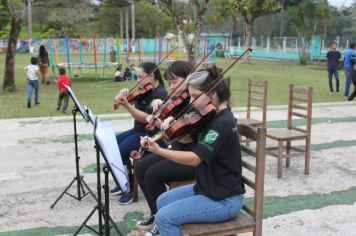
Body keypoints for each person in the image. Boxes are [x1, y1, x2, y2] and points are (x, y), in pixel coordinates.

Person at [140, 66, 245, 236]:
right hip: (207, 187)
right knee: (162, 201)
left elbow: (195, 158)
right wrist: (164, 127)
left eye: (195, 97)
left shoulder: (221, 123)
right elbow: (187, 140)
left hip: (224, 199)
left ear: (213, 94)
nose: (191, 103)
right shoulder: (211, 117)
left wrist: (159, 151)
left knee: (164, 218)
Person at [133, 61, 196, 235]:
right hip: (178, 149)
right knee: (142, 167)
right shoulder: (179, 100)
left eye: (175, 82)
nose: (171, 87)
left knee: (153, 174)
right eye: (169, 83)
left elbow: (188, 137)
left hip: (192, 157)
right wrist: (160, 120)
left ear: (189, 79)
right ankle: (156, 214)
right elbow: (171, 132)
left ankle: (162, 220)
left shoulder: (195, 103)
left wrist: (167, 124)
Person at [111, 62, 168, 204]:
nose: (137, 81)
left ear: (152, 76)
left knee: (119, 151)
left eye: (140, 77)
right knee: (111, 144)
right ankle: (123, 180)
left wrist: (127, 105)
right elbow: (122, 100)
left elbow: (145, 118)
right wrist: (121, 94)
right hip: (138, 131)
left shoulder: (160, 94)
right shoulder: (145, 89)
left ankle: (128, 188)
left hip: (151, 135)